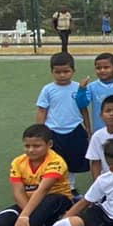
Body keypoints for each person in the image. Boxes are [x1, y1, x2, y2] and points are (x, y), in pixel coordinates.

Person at [0, 124, 73, 226]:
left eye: (36, 146)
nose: (31, 150)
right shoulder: (18, 162)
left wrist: (25, 216)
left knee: (51, 200)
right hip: (30, 203)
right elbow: (18, 191)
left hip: (57, 201)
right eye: (27, 146)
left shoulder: (56, 162)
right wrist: (25, 215)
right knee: (1, 221)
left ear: (49, 144)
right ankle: (41, 223)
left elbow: (43, 190)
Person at [36, 52, 90, 192]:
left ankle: (70, 187)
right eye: (58, 72)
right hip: (53, 131)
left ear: (73, 71)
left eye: (66, 71)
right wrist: (40, 132)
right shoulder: (48, 89)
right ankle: (52, 186)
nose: (62, 75)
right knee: (53, 160)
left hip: (74, 129)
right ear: (52, 72)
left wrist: (88, 130)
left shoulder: (78, 88)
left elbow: (84, 109)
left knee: (72, 160)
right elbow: (42, 110)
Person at [77, 52, 113, 130]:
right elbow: (82, 104)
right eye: (98, 68)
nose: (102, 70)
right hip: (99, 129)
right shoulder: (92, 87)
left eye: (106, 67)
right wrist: (81, 90)